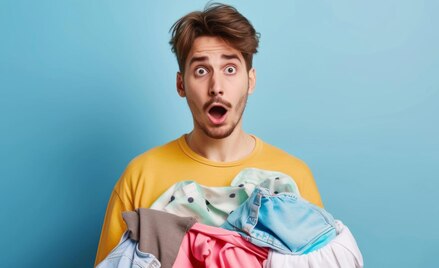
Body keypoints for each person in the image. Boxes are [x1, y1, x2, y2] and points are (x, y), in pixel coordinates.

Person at [95, 3, 325, 266]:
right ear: (181, 84)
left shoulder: (293, 178)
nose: (216, 87)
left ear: (250, 80)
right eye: (201, 71)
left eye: (230, 69)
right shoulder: (140, 177)